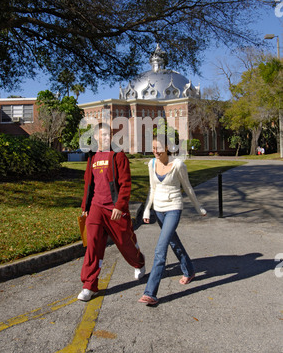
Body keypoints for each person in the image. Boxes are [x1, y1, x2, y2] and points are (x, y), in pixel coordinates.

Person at [78, 122, 145, 302]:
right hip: (96, 209)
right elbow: (88, 184)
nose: (106, 138)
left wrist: (119, 206)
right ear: (96, 137)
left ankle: (139, 262)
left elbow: (125, 184)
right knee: (92, 245)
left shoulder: (118, 156)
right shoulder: (92, 157)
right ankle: (89, 285)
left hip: (114, 209)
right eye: (102, 135)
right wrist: (85, 207)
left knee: (125, 242)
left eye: (108, 135)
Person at [138, 136, 206, 306]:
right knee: (173, 242)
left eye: (158, 148)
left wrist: (199, 208)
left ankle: (150, 292)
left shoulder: (178, 164)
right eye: (153, 148)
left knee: (160, 249)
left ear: (167, 147)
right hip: (158, 209)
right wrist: (147, 209)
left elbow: (188, 187)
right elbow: (152, 188)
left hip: (174, 208)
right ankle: (189, 270)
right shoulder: (152, 164)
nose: (155, 151)